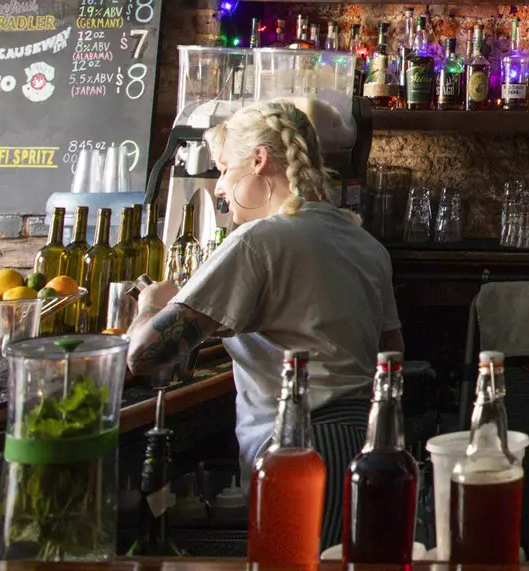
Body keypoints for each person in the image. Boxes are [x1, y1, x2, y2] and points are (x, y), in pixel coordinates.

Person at [127, 100, 401, 547]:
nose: (219, 187)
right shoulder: (365, 242)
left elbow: (143, 355)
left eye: (223, 168)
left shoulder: (258, 240)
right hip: (370, 443)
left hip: (297, 447)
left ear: (258, 160)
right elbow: (392, 353)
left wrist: (151, 305)